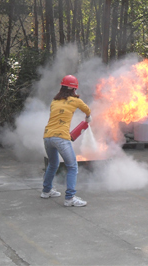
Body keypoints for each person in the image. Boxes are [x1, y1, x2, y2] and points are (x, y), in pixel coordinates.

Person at [41, 74, 92, 206]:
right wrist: (88, 117)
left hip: (47, 137)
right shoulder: (75, 100)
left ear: (62, 87)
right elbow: (87, 110)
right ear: (74, 89)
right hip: (61, 138)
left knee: (53, 164)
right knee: (72, 166)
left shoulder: (54, 101)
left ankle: (46, 191)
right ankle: (70, 198)